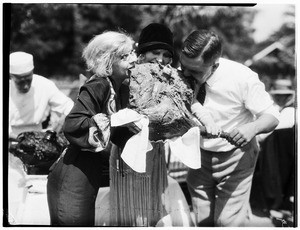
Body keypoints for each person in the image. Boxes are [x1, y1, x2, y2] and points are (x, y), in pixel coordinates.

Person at [107, 23, 220, 227]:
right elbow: (109, 114)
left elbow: (191, 103)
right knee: (128, 211)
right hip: (126, 155)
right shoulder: (126, 76)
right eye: (155, 52)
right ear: (141, 53)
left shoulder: (174, 78)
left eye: (166, 55)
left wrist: (209, 121)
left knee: (152, 207)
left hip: (155, 154)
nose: (161, 59)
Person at [180, 30, 280, 227]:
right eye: (183, 66)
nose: (185, 74)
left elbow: (272, 116)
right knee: (202, 220)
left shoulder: (242, 77)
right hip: (198, 155)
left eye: (195, 71)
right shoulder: (186, 69)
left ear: (215, 64)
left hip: (236, 157)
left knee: (228, 222)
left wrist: (252, 128)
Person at [46, 31, 138, 226]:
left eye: (132, 53)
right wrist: (109, 122)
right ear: (108, 61)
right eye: (125, 56)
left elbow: (119, 132)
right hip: (74, 176)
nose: (133, 60)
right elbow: (73, 124)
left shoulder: (119, 88)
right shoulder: (98, 84)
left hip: (91, 174)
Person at [9, 51, 74, 139]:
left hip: (38, 136)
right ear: (11, 76)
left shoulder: (44, 84)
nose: (25, 86)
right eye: (20, 82)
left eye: (28, 80)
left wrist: (60, 124)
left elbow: (68, 106)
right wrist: (18, 138)